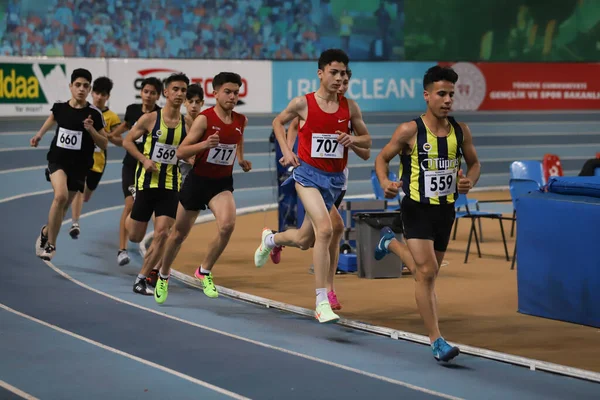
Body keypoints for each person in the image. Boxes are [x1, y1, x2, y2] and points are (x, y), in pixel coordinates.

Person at [253, 49, 371, 323]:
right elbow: (277, 122)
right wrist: (287, 150)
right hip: (306, 176)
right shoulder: (303, 103)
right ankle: (322, 300)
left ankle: (271, 239)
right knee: (328, 229)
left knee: (306, 239)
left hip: (335, 181)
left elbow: (367, 143)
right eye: (334, 72)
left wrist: (352, 141)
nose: (339, 77)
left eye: (343, 73)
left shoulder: (350, 107)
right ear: (320, 73)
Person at [373, 65, 481, 362]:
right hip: (416, 208)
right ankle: (436, 340)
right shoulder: (410, 130)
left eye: (451, 94)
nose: (447, 100)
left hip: (446, 211)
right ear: (427, 96)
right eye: (441, 94)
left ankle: (390, 243)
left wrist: (469, 180)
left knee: (427, 276)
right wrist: (385, 182)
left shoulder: (461, 131)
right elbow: (381, 159)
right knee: (428, 271)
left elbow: (474, 164)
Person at [154, 72, 252, 304]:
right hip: (198, 182)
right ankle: (163, 275)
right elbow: (181, 152)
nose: (232, 96)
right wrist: (204, 144)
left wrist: (240, 159)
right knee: (178, 235)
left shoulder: (241, 120)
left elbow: (237, 139)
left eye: (236, 92)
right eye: (227, 92)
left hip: (221, 184)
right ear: (215, 93)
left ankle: (204, 271)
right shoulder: (204, 120)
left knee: (227, 225)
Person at [122, 73, 189, 295]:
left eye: (183, 90)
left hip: (170, 185)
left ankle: (141, 278)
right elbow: (127, 141)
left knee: (162, 233)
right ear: (166, 93)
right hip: (146, 183)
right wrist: (143, 160)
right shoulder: (150, 119)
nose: (180, 94)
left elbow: (189, 151)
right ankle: (129, 217)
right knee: (135, 236)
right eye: (176, 89)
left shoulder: (187, 124)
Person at [31, 68, 107, 261]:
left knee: (63, 209)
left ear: (89, 89)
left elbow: (104, 143)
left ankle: (46, 231)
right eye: (78, 85)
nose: (81, 89)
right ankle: (51, 245)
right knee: (60, 196)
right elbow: (52, 119)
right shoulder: (60, 107)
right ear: (71, 87)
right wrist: (39, 135)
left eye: (85, 86)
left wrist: (91, 130)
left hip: (80, 166)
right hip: (57, 160)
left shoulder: (94, 114)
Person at [108, 77, 162, 266]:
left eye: (153, 93)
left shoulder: (160, 116)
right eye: (146, 91)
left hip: (150, 170)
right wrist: (109, 137)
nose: (148, 95)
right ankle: (122, 250)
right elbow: (120, 132)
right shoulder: (132, 110)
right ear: (141, 93)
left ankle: (155, 251)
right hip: (131, 167)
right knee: (129, 205)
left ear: (158, 96)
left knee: (154, 211)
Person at [69, 76, 121, 239]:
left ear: (108, 97)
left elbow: (121, 141)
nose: (99, 97)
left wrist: (109, 136)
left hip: (99, 163)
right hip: (81, 159)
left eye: (103, 94)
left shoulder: (112, 117)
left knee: (87, 194)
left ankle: (76, 207)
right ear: (92, 93)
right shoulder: (84, 110)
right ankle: (75, 222)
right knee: (79, 188)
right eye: (97, 93)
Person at [180, 83, 205, 185]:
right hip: (179, 171)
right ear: (184, 102)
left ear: (202, 103)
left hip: (200, 172)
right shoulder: (178, 123)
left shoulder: (206, 123)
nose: (194, 105)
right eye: (190, 102)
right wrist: (187, 158)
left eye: (197, 102)